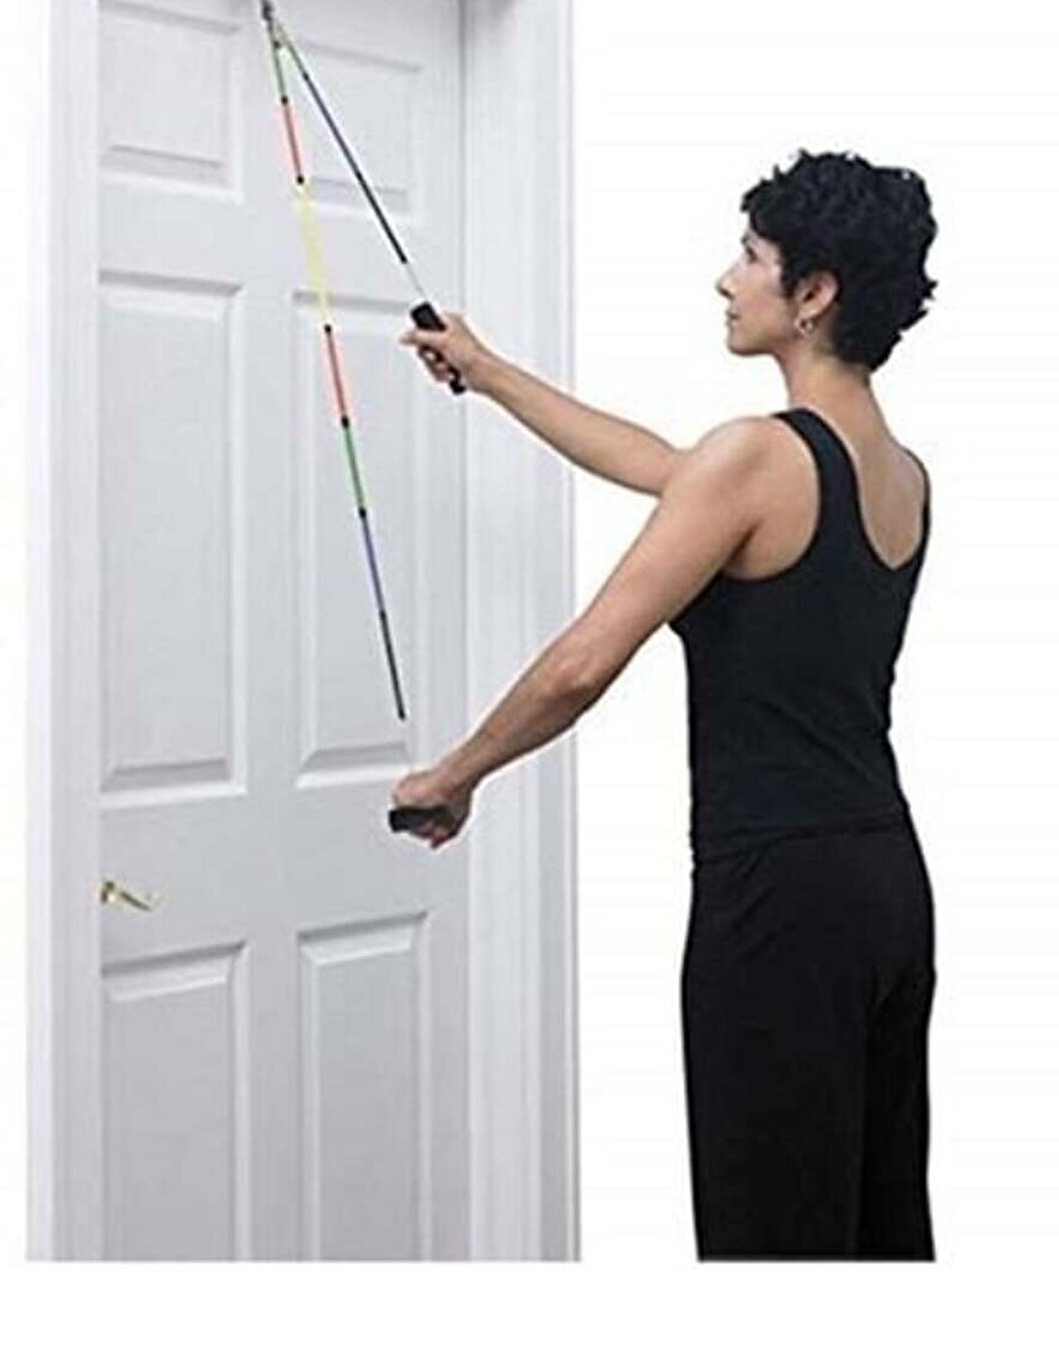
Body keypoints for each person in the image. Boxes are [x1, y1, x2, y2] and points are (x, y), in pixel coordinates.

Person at [391, 146, 939, 1260]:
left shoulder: (755, 460)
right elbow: (662, 464)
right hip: (884, 883)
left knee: (770, 1240)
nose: (727, 279)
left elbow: (580, 666)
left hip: (779, 898)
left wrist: (455, 773)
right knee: (876, 1229)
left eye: (752, 257)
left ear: (814, 293)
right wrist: (489, 372)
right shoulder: (896, 469)